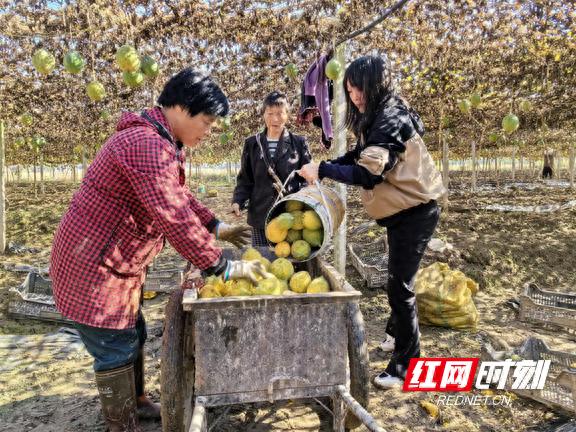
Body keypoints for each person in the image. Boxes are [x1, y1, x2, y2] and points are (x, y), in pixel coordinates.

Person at [50, 68, 266, 432]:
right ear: (182, 108)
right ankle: (122, 424)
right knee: (115, 347)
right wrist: (222, 267)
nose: (210, 130)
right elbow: (174, 216)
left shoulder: (161, 143)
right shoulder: (146, 145)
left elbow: (178, 197)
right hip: (94, 268)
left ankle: (137, 402)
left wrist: (216, 225)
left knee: (132, 331)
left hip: (113, 263)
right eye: (208, 121)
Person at [298, 55, 446, 389]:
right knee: (399, 279)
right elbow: (357, 158)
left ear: (375, 84)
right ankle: (399, 336)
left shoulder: (390, 117)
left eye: (359, 88)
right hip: (403, 214)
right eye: (349, 90)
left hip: (416, 212)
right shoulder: (378, 116)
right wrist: (327, 164)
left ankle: (407, 367)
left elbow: (367, 173)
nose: (354, 96)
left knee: (400, 286)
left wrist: (322, 170)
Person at [232, 91, 312, 246]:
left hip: (290, 217)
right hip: (260, 215)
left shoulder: (299, 143)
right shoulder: (252, 144)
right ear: (263, 115)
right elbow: (245, 180)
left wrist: (299, 197)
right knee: (262, 261)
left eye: (280, 113)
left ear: (287, 115)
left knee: (289, 261)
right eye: (270, 113)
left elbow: (308, 179)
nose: (275, 119)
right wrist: (237, 201)